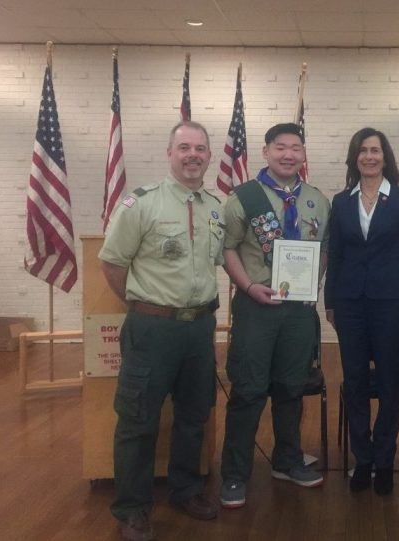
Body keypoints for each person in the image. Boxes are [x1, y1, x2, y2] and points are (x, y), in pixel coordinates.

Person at [99, 120, 224, 541]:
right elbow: (112, 264)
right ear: (170, 153)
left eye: (200, 148)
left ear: (209, 155)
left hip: (199, 329)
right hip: (152, 328)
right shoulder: (141, 203)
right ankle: (132, 508)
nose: (193, 155)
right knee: (138, 420)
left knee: (193, 416)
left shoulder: (214, 206)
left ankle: (185, 489)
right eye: (184, 147)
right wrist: (145, 304)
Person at [220, 123, 330, 509]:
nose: (288, 155)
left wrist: (309, 287)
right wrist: (248, 286)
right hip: (256, 307)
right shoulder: (243, 198)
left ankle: (286, 460)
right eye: (280, 147)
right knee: (248, 391)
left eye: (295, 148)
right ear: (265, 152)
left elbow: (325, 251)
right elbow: (228, 249)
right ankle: (234, 474)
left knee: (290, 389)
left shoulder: (317, 200)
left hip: (298, 312)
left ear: (303, 155)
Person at [324, 128, 399, 495]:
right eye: (363, 151)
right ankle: (361, 459)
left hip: (390, 302)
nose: (369, 156)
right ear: (354, 157)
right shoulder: (341, 201)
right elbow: (335, 255)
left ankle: (384, 460)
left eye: (375, 150)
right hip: (349, 303)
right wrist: (330, 300)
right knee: (354, 382)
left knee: (387, 382)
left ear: (386, 157)